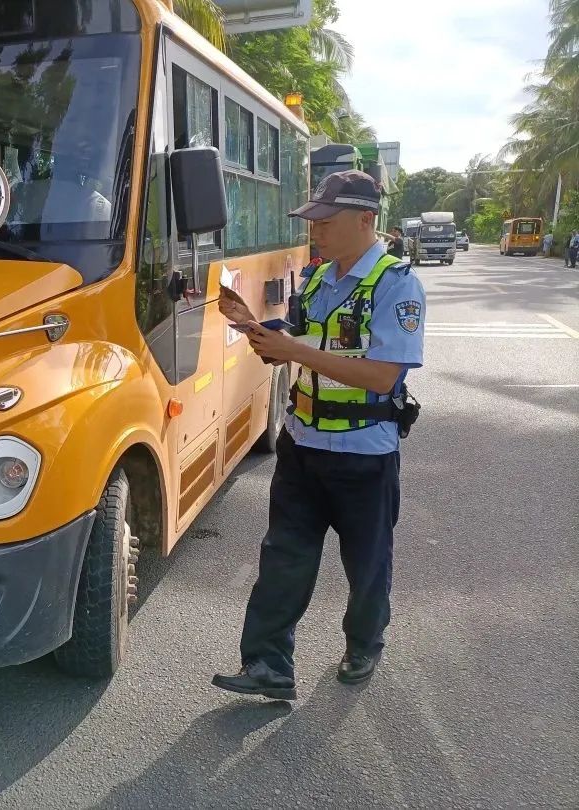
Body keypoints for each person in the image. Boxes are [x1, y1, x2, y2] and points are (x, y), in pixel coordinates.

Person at [213, 170, 425, 700]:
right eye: (314, 221)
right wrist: (259, 332)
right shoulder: (314, 278)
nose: (317, 232)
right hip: (302, 443)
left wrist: (296, 351)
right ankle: (268, 666)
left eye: (327, 222)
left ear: (365, 220)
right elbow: (302, 342)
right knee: (284, 558)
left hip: (363, 453)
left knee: (367, 563)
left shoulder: (396, 283)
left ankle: (364, 643)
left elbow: (383, 375)